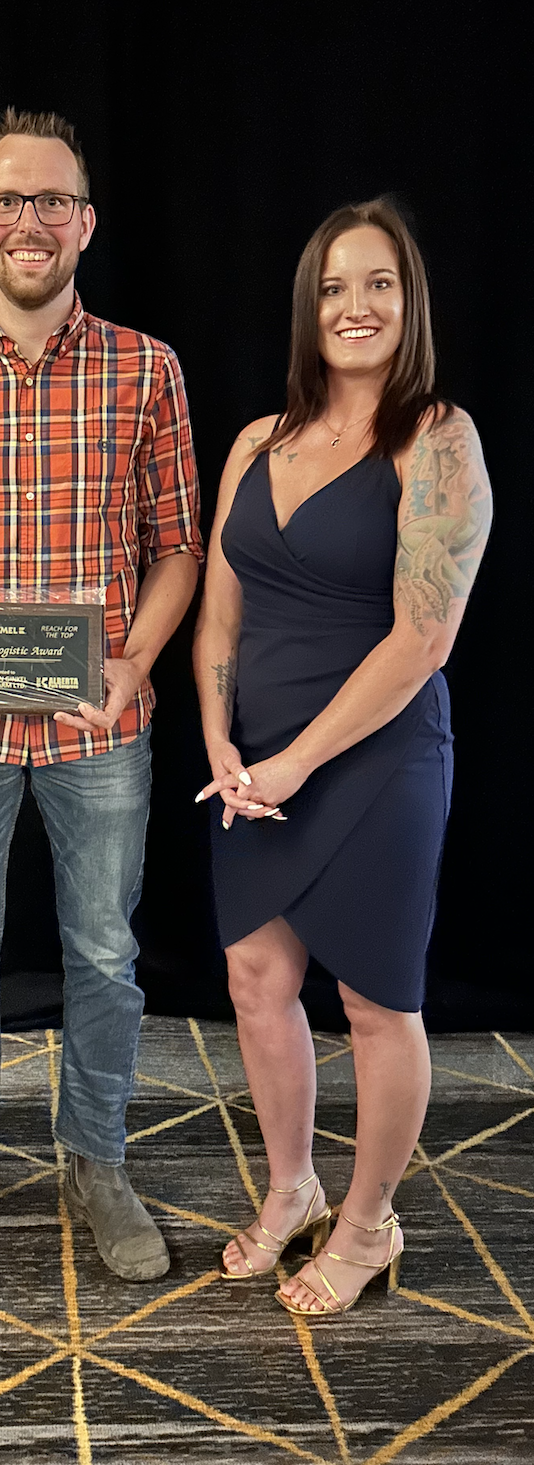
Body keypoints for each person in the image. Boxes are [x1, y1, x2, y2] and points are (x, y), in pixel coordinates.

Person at [0, 109, 202, 1283]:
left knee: (103, 954)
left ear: (86, 223)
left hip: (99, 728)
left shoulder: (148, 369)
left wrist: (135, 664)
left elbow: (177, 546)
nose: (31, 221)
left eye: (52, 200)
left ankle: (96, 1160)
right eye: (9, 200)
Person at [193, 199, 491, 1316]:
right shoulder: (254, 444)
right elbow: (219, 620)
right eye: (332, 287)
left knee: (376, 1001)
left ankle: (369, 1223)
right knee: (256, 980)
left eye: (378, 284)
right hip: (257, 760)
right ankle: (292, 1189)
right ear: (306, 308)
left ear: (410, 302)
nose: (354, 307)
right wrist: (221, 740)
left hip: (376, 759)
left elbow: (423, 640)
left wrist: (296, 763)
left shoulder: (438, 439)